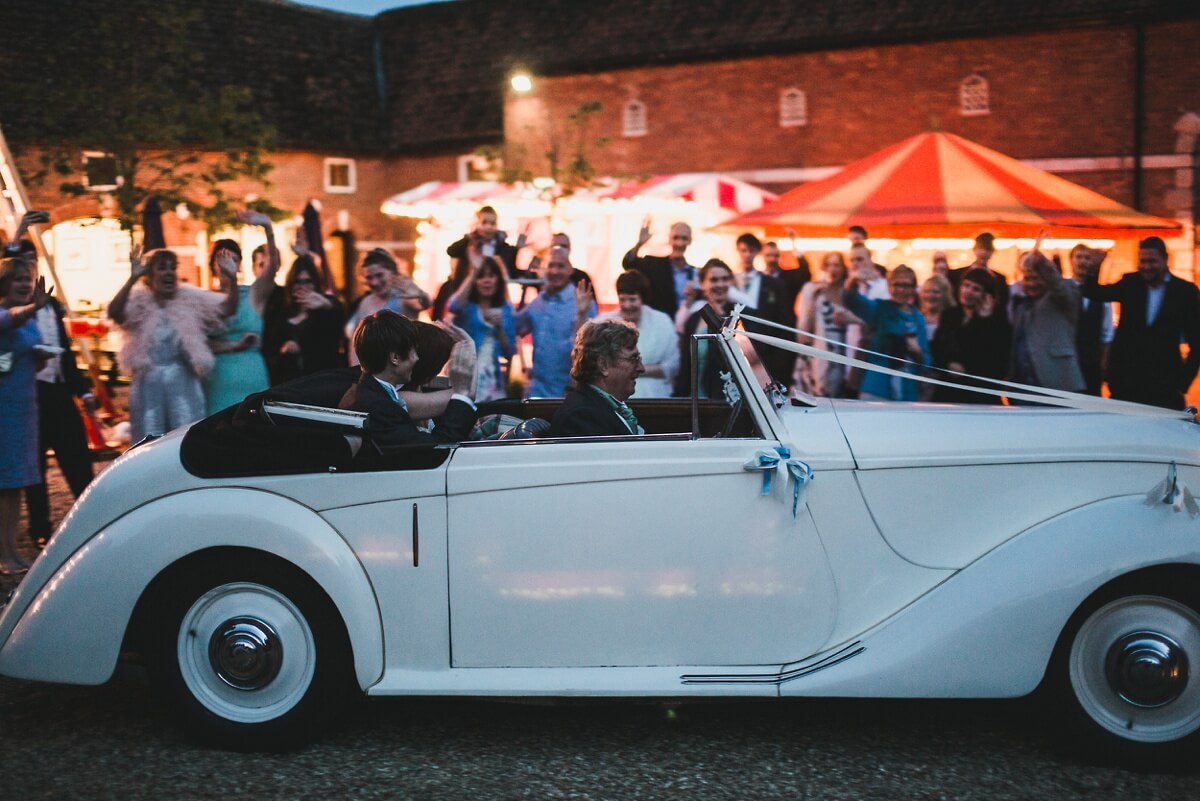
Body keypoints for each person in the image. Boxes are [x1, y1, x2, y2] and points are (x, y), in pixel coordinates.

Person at [3, 234, 94, 548]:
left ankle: (92, 520)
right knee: (34, 468)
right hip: (28, 395)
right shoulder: (11, 310)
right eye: (22, 262)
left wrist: (82, 391)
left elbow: (65, 350)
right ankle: (40, 529)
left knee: (78, 458)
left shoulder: (51, 304)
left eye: (32, 261)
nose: (29, 269)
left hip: (55, 390)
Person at [108, 248, 238, 441]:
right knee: (148, 439)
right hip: (148, 384)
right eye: (162, 268)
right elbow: (115, 313)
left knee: (185, 437)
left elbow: (226, 309)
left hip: (182, 382)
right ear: (149, 275)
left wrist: (232, 280)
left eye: (172, 268)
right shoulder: (139, 300)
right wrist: (132, 278)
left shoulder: (190, 297)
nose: (169, 273)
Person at [1081, 237, 1200, 409]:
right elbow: (1095, 293)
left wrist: (1183, 383)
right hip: (1126, 382)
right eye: (1142, 261)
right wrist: (1095, 268)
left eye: (1152, 261)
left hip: (1165, 385)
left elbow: (1196, 342)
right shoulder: (1130, 283)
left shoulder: (1185, 292)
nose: (1146, 266)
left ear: (1165, 260)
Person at [339, 311, 477, 452]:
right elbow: (435, 450)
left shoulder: (373, 393)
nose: (417, 358)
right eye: (414, 351)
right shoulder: (378, 406)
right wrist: (462, 393)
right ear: (395, 358)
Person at [0, 257, 53, 574]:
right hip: (3, 410)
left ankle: (14, 550)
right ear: (4, 283)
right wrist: (34, 307)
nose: (24, 284)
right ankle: (3, 554)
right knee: (3, 486)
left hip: (24, 410)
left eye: (28, 278)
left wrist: (41, 358)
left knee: (16, 485)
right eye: (18, 279)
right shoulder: (9, 315)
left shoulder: (29, 319)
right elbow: (9, 323)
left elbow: (26, 360)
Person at [204, 211, 279, 414]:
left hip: (252, 374)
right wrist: (233, 345)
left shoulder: (253, 293)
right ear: (213, 265)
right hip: (218, 378)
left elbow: (273, 268)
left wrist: (267, 227)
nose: (229, 264)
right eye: (222, 259)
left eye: (234, 259)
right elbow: (199, 343)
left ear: (239, 265)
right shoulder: (204, 299)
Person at [515, 246, 596, 398]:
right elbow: (514, 328)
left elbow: (592, 348)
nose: (555, 271)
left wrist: (581, 313)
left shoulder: (583, 301)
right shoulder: (538, 301)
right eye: (551, 265)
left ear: (570, 270)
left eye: (560, 266)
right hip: (537, 392)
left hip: (568, 393)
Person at [842, 264, 931, 401]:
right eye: (896, 285)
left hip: (907, 391)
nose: (901, 290)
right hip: (876, 388)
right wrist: (853, 280)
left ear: (914, 288)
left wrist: (917, 351)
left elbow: (926, 361)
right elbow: (850, 299)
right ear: (889, 287)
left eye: (906, 285)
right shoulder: (879, 308)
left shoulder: (917, 317)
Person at [549, 319, 645, 437]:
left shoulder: (597, 408)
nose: (641, 368)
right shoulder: (582, 417)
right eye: (633, 359)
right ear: (603, 365)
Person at [261, 256, 346, 386]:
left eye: (307, 281)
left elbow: (340, 323)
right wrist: (282, 349)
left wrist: (327, 304)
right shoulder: (279, 310)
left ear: (315, 283)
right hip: (285, 383)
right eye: (297, 282)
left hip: (319, 384)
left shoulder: (327, 311)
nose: (302, 287)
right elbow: (268, 348)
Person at [930, 269, 1011, 403]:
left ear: (987, 295)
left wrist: (983, 320)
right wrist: (947, 364)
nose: (968, 291)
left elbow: (994, 362)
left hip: (979, 395)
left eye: (976, 289)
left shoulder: (998, 323)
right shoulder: (950, 315)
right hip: (948, 393)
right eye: (966, 285)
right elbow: (937, 349)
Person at [1010, 251, 1085, 394]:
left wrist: (1043, 264)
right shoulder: (1020, 306)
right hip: (1023, 387)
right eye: (1027, 279)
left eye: (1036, 278)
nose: (1031, 284)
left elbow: (1058, 287)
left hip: (1056, 383)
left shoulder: (1063, 297)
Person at [597, 271, 678, 397]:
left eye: (632, 299)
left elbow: (672, 366)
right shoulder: (604, 322)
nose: (627, 305)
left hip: (655, 397)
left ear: (642, 298)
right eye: (622, 299)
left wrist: (622, 370)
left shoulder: (662, 321)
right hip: (614, 397)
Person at [345, 248, 431, 365]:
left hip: (400, 368)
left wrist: (421, 294)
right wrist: (356, 369)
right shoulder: (366, 301)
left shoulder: (403, 297)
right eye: (369, 277)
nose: (374, 282)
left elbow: (424, 304)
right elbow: (356, 341)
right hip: (370, 370)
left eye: (379, 275)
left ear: (393, 273)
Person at [448, 255, 516, 401]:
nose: (486, 281)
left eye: (491, 275)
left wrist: (499, 327)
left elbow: (509, 351)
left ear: (498, 280)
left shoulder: (505, 309)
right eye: (481, 276)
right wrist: (473, 273)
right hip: (465, 376)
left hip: (493, 381)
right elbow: (452, 306)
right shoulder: (467, 307)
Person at [437, 205, 523, 319]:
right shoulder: (467, 244)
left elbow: (510, 270)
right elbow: (451, 251)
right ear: (477, 224)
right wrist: (468, 238)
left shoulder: (504, 248)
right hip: (467, 295)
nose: (488, 227)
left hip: (492, 297)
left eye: (492, 223)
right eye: (484, 223)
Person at [796, 253, 861, 398]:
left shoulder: (850, 292)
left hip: (844, 354)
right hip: (819, 356)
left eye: (837, 265)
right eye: (829, 265)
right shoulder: (814, 290)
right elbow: (803, 333)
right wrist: (812, 299)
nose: (833, 269)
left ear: (844, 268)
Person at [674, 259, 738, 398]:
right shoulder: (693, 320)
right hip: (696, 397)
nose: (720, 284)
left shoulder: (741, 318)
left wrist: (721, 316)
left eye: (725, 279)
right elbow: (685, 364)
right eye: (714, 280)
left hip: (726, 399)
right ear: (703, 284)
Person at [622, 218, 697, 317]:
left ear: (690, 241)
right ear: (669, 240)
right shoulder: (654, 265)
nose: (679, 243)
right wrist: (639, 244)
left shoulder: (695, 273)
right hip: (660, 325)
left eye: (684, 238)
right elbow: (628, 264)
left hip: (686, 327)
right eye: (676, 238)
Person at [1068, 245, 1114, 396]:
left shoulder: (1102, 296)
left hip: (1091, 366)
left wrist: (1103, 366)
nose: (1083, 261)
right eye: (1079, 257)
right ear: (1071, 261)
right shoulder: (1063, 290)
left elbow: (1107, 334)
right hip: (1066, 363)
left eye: (1087, 258)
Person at [949, 232, 1009, 313]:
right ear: (974, 249)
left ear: (992, 252)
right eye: (980, 248)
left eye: (988, 249)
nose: (984, 252)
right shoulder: (955, 275)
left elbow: (1002, 306)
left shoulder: (1000, 280)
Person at [919, 273, 955, 342]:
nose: (930, 296)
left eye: (935, 292)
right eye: (927, 291)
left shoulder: (952, 320)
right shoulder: (915, 318)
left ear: (945, 295)